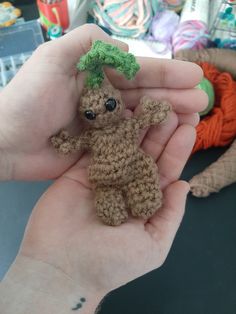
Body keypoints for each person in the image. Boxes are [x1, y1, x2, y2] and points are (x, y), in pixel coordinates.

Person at [0, 24, 207, 314]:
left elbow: (140, 122)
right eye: (90, 113)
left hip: (135, 166)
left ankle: (141, 196)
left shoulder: (126, 124)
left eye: (109, 105)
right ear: (85, 115)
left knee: (145, 185)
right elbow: (73, 143)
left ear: (117, 102)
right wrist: (18, 140)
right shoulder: (91, 136)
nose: (100, 113)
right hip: (104, 180)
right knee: (108, 202)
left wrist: (151, 113)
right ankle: (116, 202)